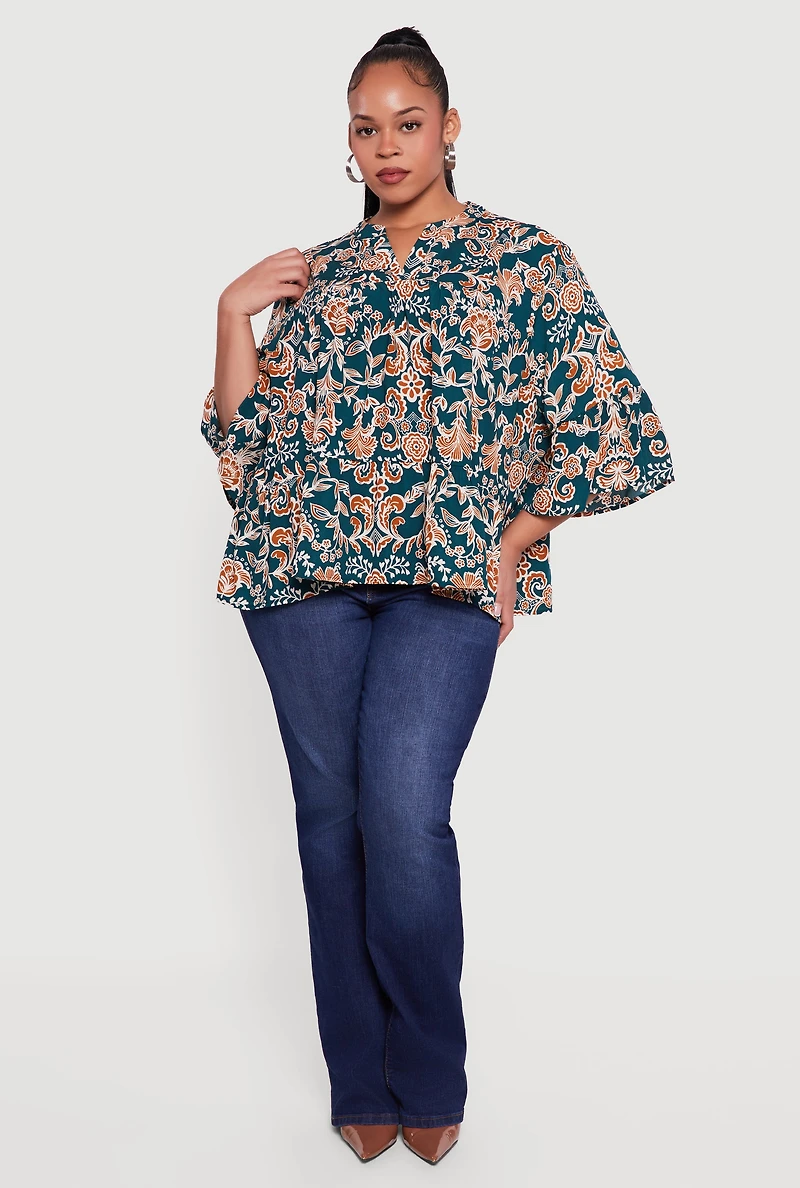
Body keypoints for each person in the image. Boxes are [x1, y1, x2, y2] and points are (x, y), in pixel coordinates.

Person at [200, 25, 675, 1167]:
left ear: (449, 128)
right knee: (330, 824)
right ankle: (358, 1078)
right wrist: (229, 315)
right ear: (348, 142)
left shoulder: (527, 261)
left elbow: (623, 435)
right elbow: (243, 453)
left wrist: (515, 541)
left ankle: (429, 1071)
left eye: (408, 123)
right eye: (365, 129)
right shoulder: (318, 275)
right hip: (300, 578)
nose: (387, 147)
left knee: (404, 814)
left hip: (447, 582)